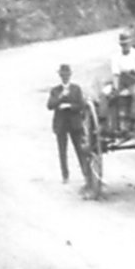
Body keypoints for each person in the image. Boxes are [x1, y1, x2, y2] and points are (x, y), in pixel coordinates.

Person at [46, 63, 93, 191]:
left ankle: (85, 173)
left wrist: (69, 106)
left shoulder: (76, 89)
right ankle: (65, 175)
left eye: (67, 75)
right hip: (61, 124)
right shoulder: (55, 90)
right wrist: (60, 98)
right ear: (60, 76)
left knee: (79, 149)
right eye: (63, 75)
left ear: (70, 75)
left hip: (74, 123)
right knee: (62, 151)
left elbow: (81, 105)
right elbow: (50, 105)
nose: (65, 77)